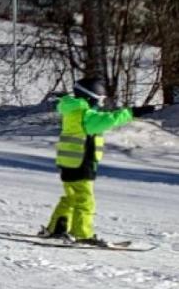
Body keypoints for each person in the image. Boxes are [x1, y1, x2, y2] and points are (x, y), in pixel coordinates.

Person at [40, 76, 154, 245]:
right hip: (81, 161)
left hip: (69, 162)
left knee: (72, 197)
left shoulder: (73, 110)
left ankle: (57, 227)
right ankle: (81, 234)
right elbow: (107, 120)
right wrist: (132, 113)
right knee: (85, 200)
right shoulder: (85, 114)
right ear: (89, 97)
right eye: (99, 100)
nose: (100, 104)